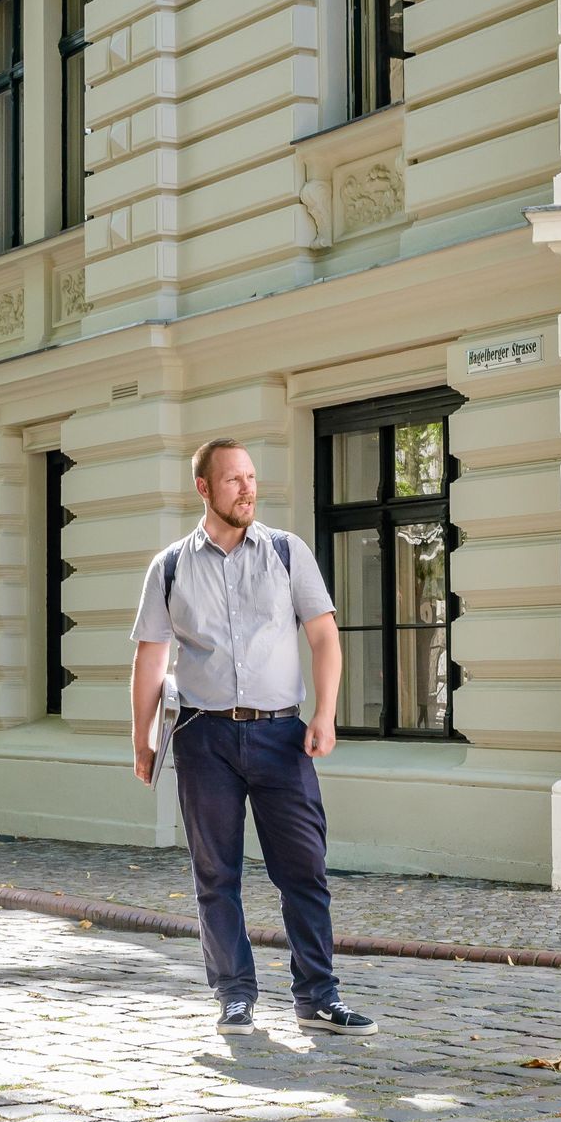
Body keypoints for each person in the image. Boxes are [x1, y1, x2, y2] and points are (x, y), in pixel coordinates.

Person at [130, 438, 377, 1039]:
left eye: (250, 477)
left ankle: (317, 996)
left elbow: (323, 636)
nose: (247, 487)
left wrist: (326, 713)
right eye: (233, 479)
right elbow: (150, 655)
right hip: (202, 737)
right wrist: (141, 739)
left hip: (281, 735)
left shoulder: (288, 554)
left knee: (304, 870)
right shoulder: (169, 566)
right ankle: (234, 995)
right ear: (204, 488)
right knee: (216, 875)